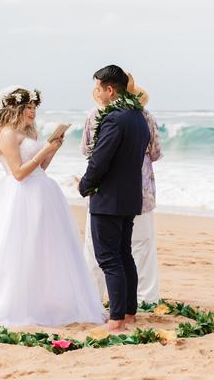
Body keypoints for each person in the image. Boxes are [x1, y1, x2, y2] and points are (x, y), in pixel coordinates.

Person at [0, 86, 105, 327]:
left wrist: (53, 149)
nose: (32, 112)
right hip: (18, 197)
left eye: (34, 107)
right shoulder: (8, 134)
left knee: (43, 248)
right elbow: (18, 173)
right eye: (28, 107)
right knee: (17, 248)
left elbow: (40, 168)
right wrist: (45, 151)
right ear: (16, 108)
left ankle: (41, 300)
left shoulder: (29, 132)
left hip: (42, 194)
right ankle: (11, 302)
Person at [79, 66, 150, 332]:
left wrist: (85, 185)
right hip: (130, 195)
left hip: (108, 198)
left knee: (109, 258)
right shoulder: (137, 116)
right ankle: (130, 313)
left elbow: (100, 159)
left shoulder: (114, 118)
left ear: (110, 89)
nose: (97, 93)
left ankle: (116, 318)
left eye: (98, 88)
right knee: (124, 254)